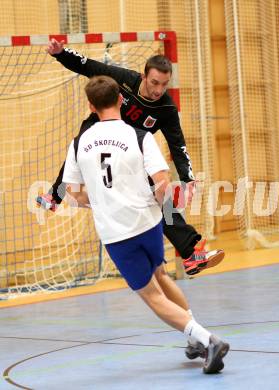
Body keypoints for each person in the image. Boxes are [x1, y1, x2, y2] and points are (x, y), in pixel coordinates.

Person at [63, 75, 229, 374]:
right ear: (119, 101)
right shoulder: (140, 136)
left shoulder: (78, 144)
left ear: (90, 105)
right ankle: (194, 340)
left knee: (151, 295)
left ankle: (209, 340)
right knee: (161, 275)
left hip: (118, 232)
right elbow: (163, 183)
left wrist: (97, 198)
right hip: (149, 223)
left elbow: (72, 196)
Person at [37, 38, 224, 276]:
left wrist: (188, 180)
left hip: (128, 154)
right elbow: (88, 66)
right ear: (144, 76)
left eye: (164, 85)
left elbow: (178, 145)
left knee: (161, 196)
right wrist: (61, 53)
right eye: (154, 82)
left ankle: (190, 253)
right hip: (99, 137)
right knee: (78, 148)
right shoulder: (124, 79)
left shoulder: (166, 108)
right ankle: (55, 196)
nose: (158, 90)